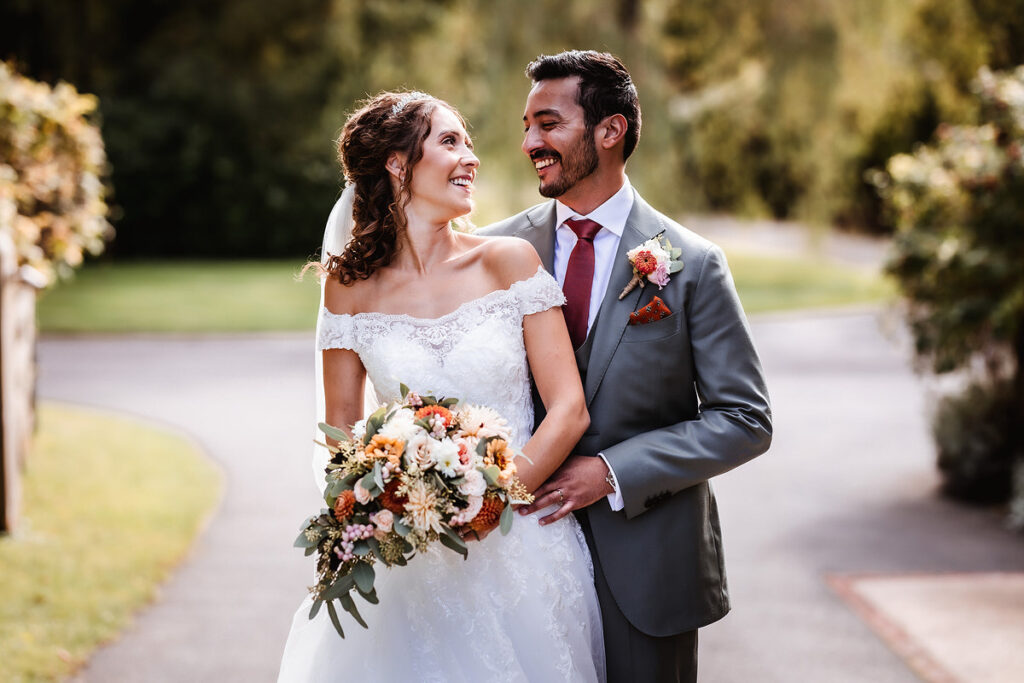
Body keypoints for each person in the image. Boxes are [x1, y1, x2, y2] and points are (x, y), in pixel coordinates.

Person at [277, 91, 605, 682]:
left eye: (469, 143)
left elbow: (568, 409)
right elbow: (341, 436)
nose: (470, 157)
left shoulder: (510, 263)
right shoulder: (349, 288)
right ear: (398, 165)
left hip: (520, 550)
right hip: (409, 562)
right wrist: (389, 506)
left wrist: (492, 499)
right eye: (450, 141)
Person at [480, 50, 773, 683]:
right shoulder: (490, 253)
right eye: (527, 126)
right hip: (513, 562)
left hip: (646, 566)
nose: (531, 142)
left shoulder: (692, 264)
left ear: (609, 131)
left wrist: (613, 472)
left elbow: (745, 418)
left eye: (549, 124)